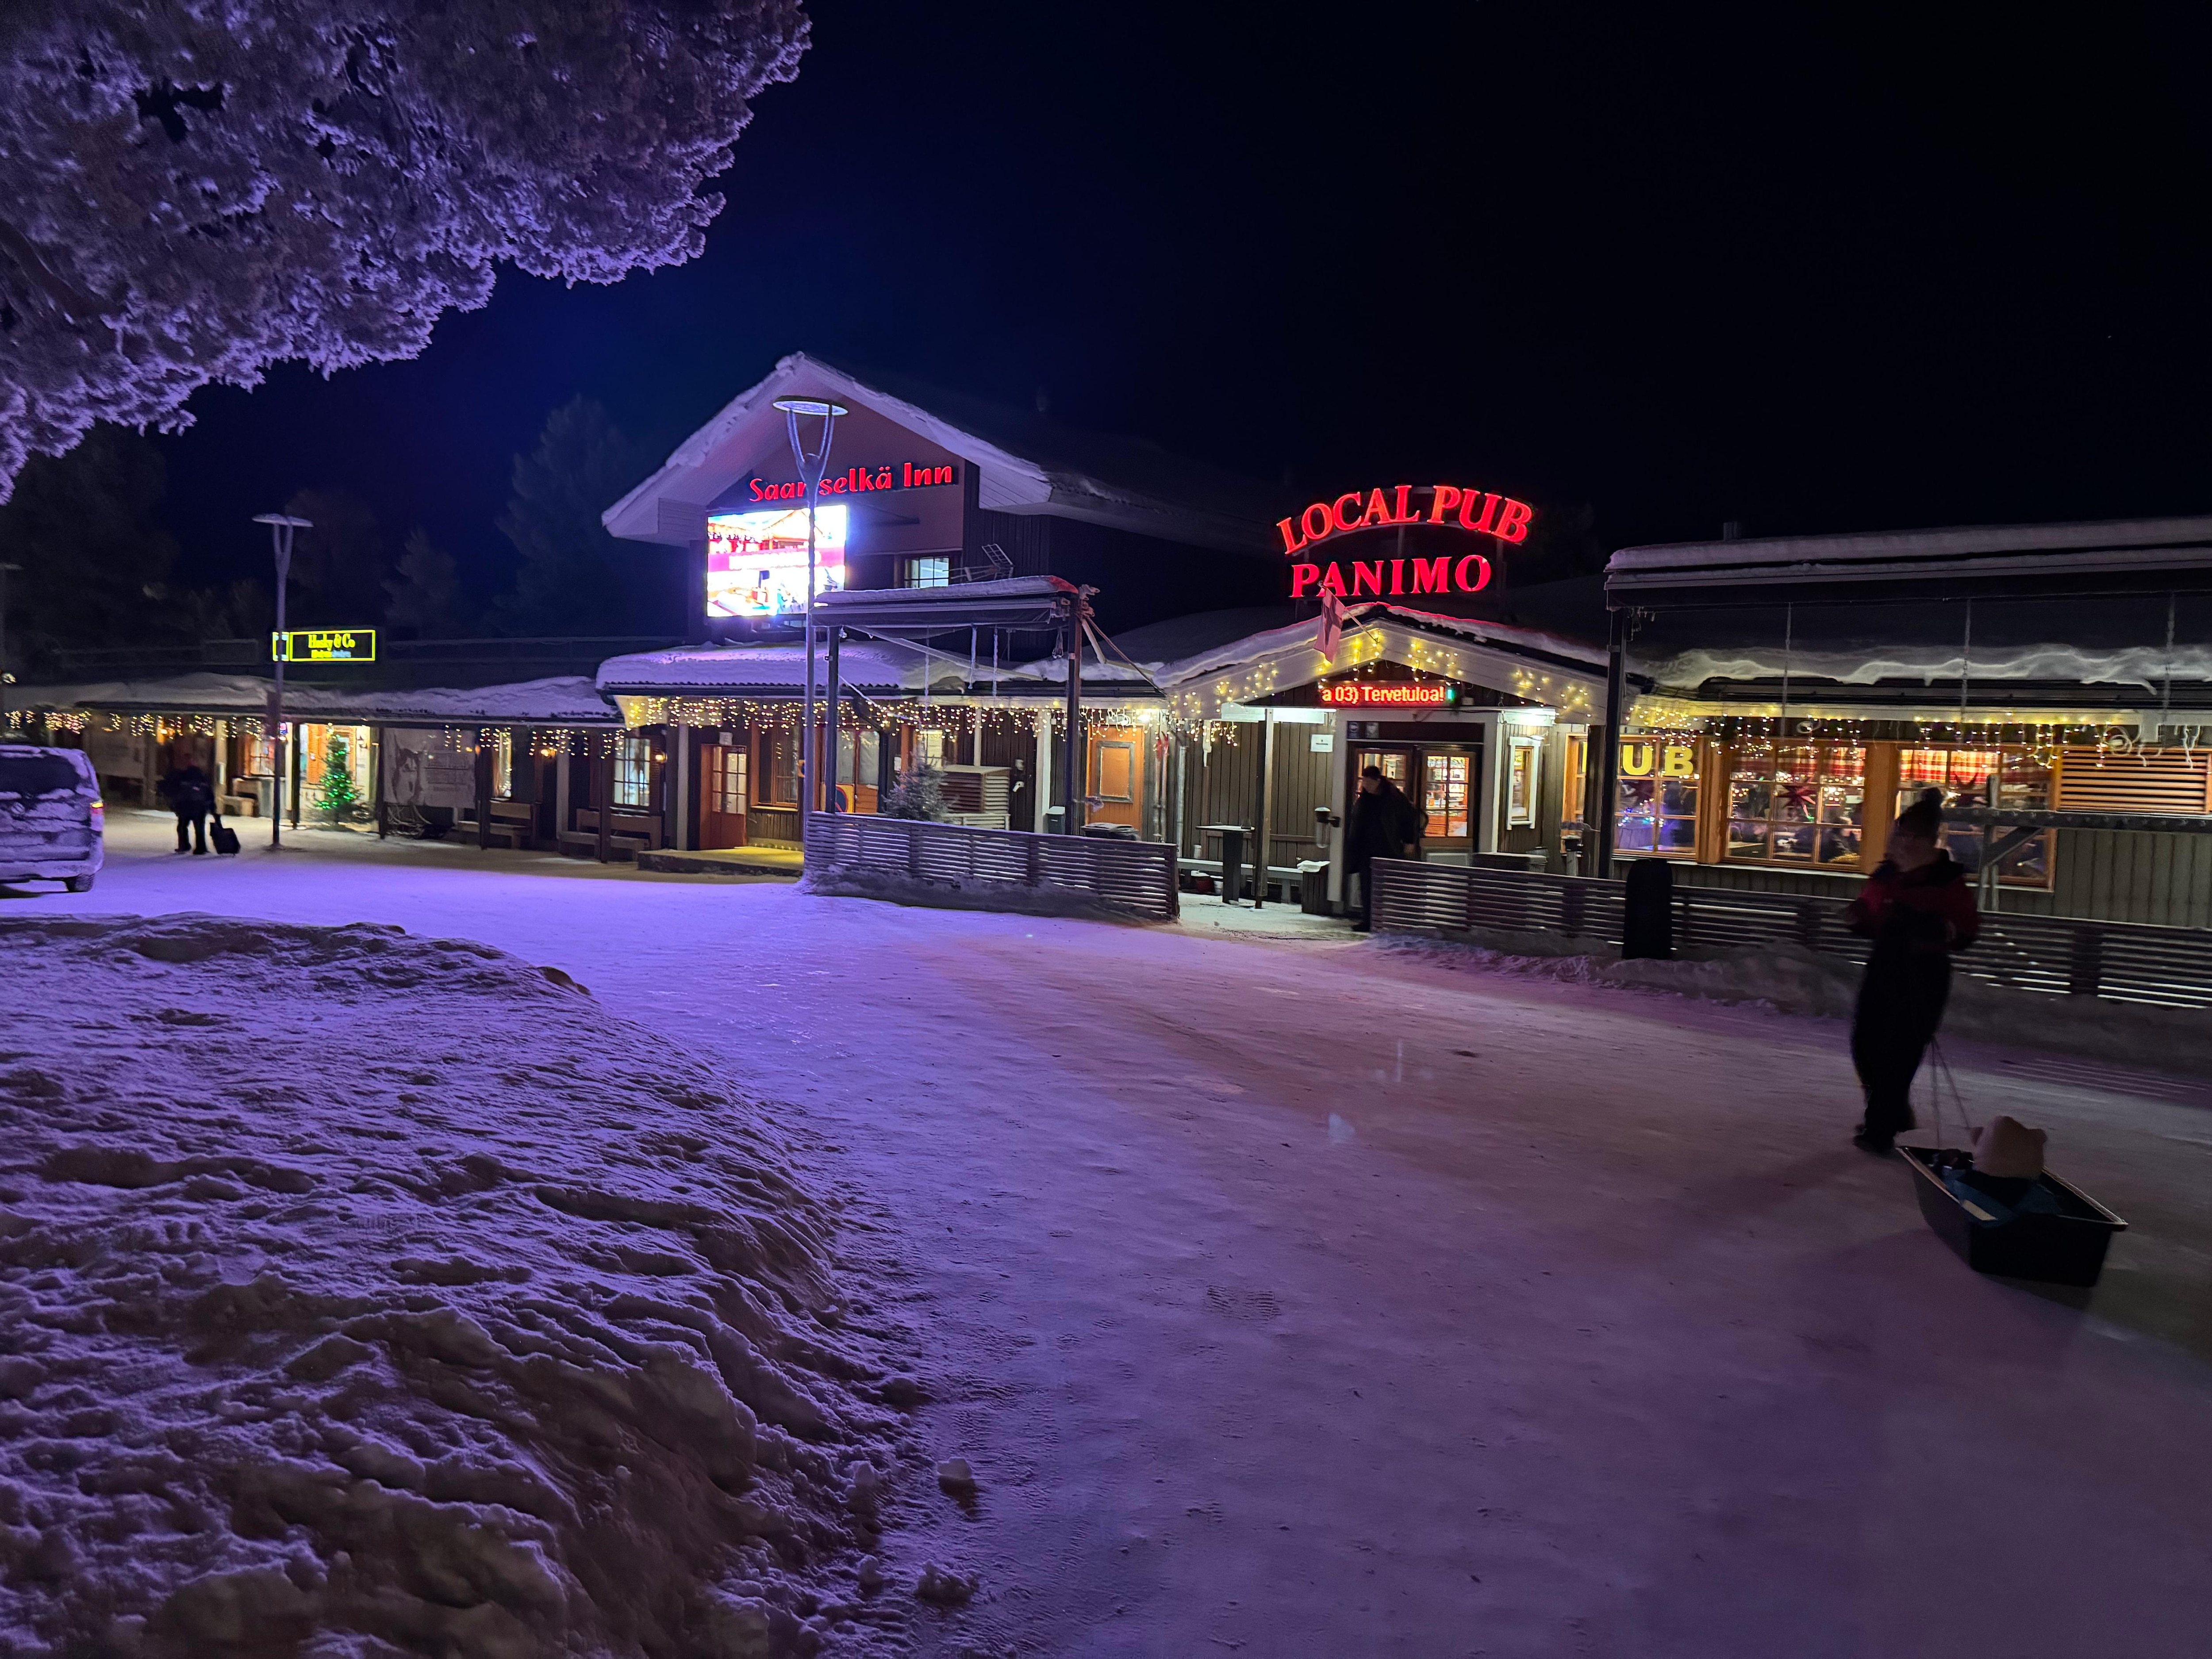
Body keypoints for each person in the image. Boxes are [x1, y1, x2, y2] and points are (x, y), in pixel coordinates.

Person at [1841, 789, 1979, 1155]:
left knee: (1900, 1050)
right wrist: (1859, 917)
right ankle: (1892, 1111)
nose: (1902, 843)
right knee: (1866, 1046)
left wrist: (1932, 929)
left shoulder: (1945, 880)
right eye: (1899, 834)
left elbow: (1965, 929)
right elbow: (1871, 912)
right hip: (1885, 966)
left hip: (1923, 971)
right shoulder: (1886, 875)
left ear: (1927, 840)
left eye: (1910, 837)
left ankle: (1880, 1127)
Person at [1344, 764, 1422, 932]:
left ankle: (1385, 920)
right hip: (1366, 849)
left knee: (1384, 886)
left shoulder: (1393, 798)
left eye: (1370, 783)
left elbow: (1408, 819)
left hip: (1386, 849)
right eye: (1364, 782)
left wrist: (1409, 841)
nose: (1366, 786)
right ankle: (1368, 920)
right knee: (1367, 886)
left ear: (1378, 781)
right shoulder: (1365, 798)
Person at [159, 755, 214, 856]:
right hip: (199, 806)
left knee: (183, 826)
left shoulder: (182, 775)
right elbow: (209, 791)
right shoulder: (203, 776)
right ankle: (200, 848)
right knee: (199, 828)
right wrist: (211, 805)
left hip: (186, 805)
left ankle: (185, 846)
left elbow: (175, 790)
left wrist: (175, 803)